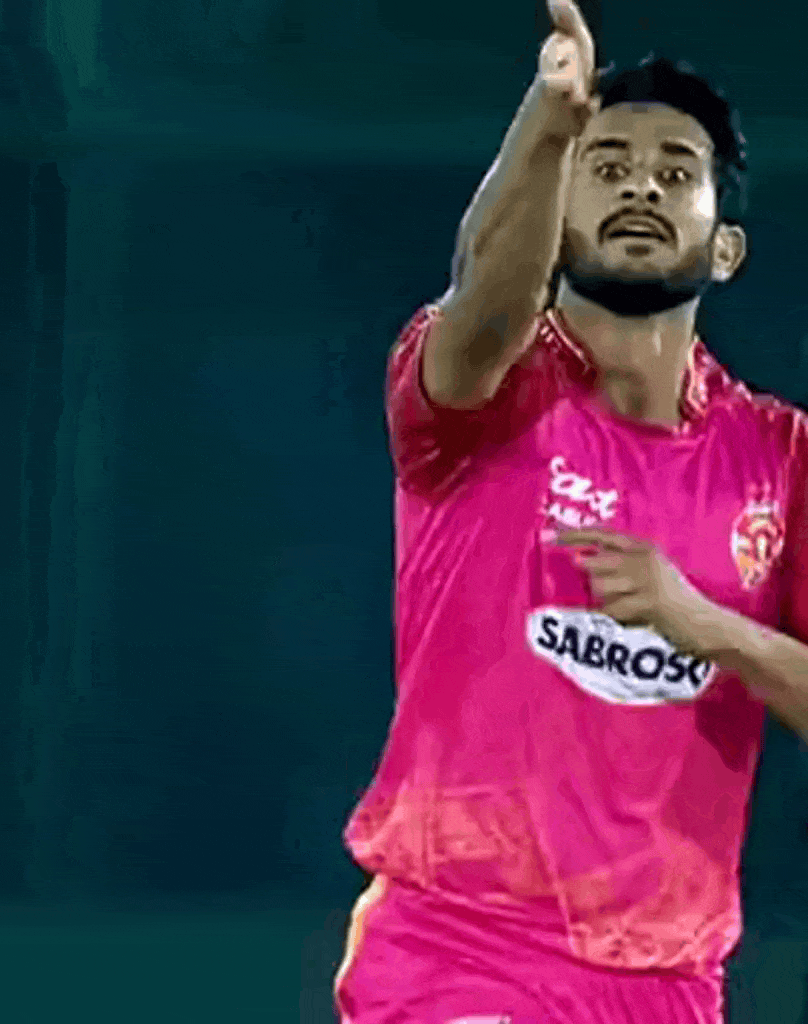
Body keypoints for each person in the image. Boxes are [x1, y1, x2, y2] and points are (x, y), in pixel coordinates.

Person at [333, 2, 808, 1022]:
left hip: (669, 979)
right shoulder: (484, 394)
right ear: (557, 212)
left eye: (675, 172)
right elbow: (485, 291)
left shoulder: (780, 457)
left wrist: (707, 626)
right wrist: (551, 122)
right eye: (608, 165)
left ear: (725, 248)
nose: (640, 185)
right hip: (458, 948)